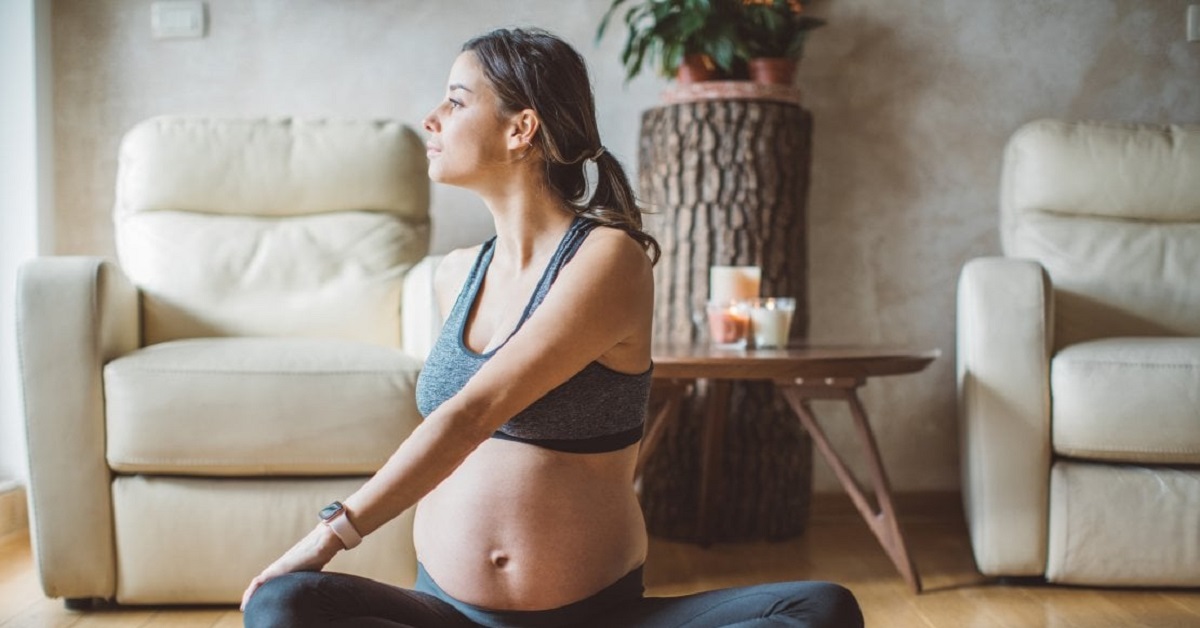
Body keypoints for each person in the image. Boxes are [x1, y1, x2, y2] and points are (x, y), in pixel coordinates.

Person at [241, 27, 863, 628]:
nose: (431, 118)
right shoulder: (453, 276)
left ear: (521, 128)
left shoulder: (607, 260)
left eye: (455, 101)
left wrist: (328, 537)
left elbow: (470, 414)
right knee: (284, 607)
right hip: (444, 613)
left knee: (818, 610)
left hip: (597, 618)